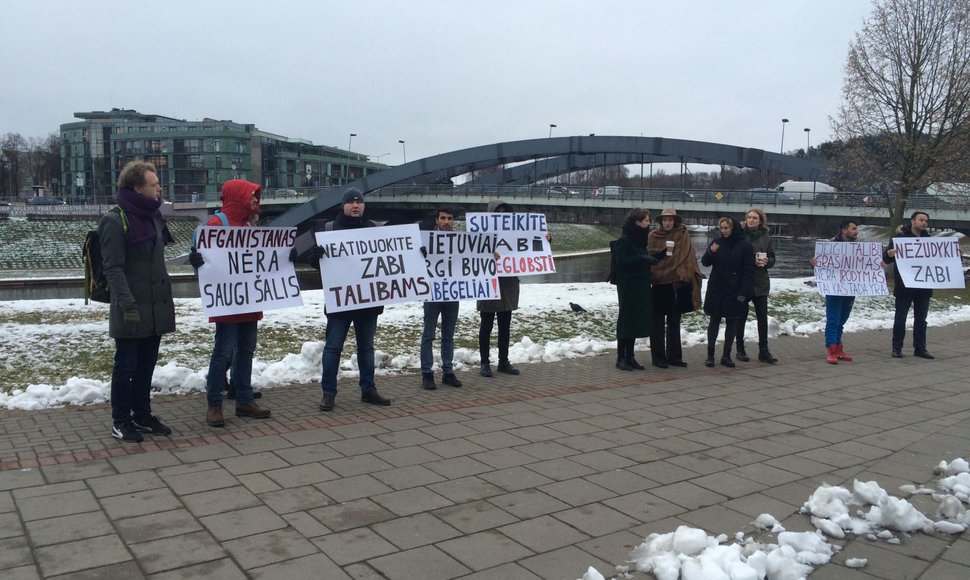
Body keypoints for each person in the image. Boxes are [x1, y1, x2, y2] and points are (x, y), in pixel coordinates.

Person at [99, 160, 176, 443]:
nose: (159, 189)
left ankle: (142, 414)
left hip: (155, 307)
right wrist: (127, 305)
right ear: (137, 187)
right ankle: (121, 420)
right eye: (154, 184)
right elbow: (113, 268)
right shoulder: (114, 220)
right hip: (131, 308)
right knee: (126, 366)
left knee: (147, 364)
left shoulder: (154, 217)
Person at [189, 179, 272, 427]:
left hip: (247, 300)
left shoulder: (249, 226)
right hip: (227, 303)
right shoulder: (215, 225)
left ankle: (244, 399)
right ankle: (214, 404)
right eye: (252, 196)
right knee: (222, 352)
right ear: (239, 197)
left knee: (246, 350)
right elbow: (204, 261)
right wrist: (197, 261)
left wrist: (283, 258)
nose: (257, 201)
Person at [317, 189, 392, 411]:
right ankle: (328, 393)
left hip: (367, 302)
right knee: (333, 348)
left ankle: (368, 390)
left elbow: (390, 259)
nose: (355, 205)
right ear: (343, 206)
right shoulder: (329, 229)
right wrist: (315, 256)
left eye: (359, 202)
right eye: (350, 202)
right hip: (340, 302)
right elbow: (314, 262)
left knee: (366, 349)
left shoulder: (373, 230)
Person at [613, 208, 667, 371]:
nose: (648, 223)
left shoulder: (640, 239)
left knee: (635, 320)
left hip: (641, 285)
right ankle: (620, 358)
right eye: (646, 220)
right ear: (637, 222)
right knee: (626, 320)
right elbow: (621, 263)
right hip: (628, 285)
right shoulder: (625, 240)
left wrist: (659, 256)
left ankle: (630, 356)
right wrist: (642, 258)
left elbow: (641, 261)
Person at [646, 208, 699, 368]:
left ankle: (674, 356)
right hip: (659, 284)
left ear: (675, 221)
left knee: (675, 322)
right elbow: (650, 259)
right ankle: (658, 357)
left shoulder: (682, 235)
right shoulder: (654, 236)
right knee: (657, 323)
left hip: (678, 284)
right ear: (661, 221)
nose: (668, 223)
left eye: (670, 220)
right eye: (665, 220)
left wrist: (686, 273)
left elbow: (689, 256)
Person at [701, 217, 755, 368]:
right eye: (721, 228)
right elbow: (705, 262)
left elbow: (748, 271)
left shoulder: (744, 245)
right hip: (716, 287)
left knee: (732, 321)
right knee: (714, 320)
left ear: (733, 228)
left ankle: (726, 355)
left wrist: (744, 292)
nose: (723, 231)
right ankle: (710, 355)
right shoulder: (717, 242)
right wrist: (711, 252)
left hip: (734, 288)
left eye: (726, 228)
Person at [420, 208, 463, 390]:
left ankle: (447, 371)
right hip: (432, 293)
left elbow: (472, 259)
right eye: (443, 218)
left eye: (450, 218)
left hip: (452, 293)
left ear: (453, 221)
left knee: (448, 335)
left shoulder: (462, 241)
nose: (446, 221)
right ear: (437, 220)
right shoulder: (425, 239)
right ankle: (427, 373)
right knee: (428, 335)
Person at [883, 211, 935, 359]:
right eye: (921, 220)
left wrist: (952, 253)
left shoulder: (929, 240)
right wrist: (889, 254)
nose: (924, 223)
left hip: (923, 286)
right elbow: (886, 259)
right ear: (913, 221)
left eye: (926, 221)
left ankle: (920, 348)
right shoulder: (900, 238)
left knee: (921, 320)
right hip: (904, 286)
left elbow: (938, 258)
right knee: (900, 318)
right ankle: (897, 348)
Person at [477, 200, 520, 377]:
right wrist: (487, 253)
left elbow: (532, 247)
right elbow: (470, 254)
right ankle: (485, 362)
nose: (502, 216)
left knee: (505, 326)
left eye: (505, 212)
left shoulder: (516, 233)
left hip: (508, 285)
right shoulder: (480, 234)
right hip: (489, 284)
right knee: (486, 326)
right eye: (498, 212)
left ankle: (503, 361)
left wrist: (546, 239)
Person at [810, 219, 859, 364]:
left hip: (850, 287)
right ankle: (831, 349)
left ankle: (838, 348)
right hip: (834, 287)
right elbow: (820, 264)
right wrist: (813, 264)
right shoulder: (830, 246)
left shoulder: (859, 248)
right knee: (833, 320)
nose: (856, 232)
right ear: (844, 230)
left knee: (842, 320)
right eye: (853, 229)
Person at [736, 208, 778, 364]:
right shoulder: (739, 235)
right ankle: (740, 349)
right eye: (749, 217)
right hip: (743, 282)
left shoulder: (765, 237)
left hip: (760, 282)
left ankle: (764, 350)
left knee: (762, 318)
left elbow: (772, 256)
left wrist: (768, 262)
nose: (751, 220)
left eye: (754, 218)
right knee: (741, 317)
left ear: (760, 221)